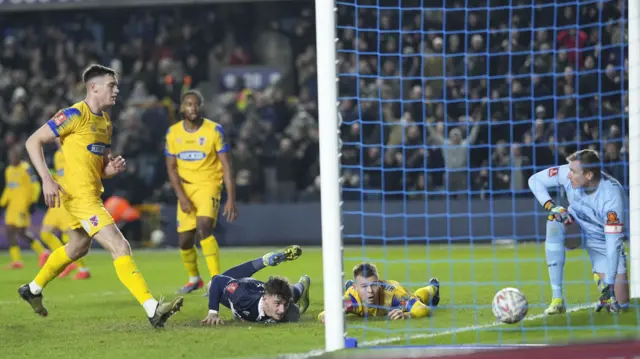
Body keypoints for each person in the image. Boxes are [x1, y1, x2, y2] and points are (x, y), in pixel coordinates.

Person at [19, 64, 183, 328]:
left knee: (77, 247)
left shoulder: (105, 123)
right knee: (120, 246)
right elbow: (32, 141)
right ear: (93, 88)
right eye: (111, 85)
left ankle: (33, 289)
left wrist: (110, 169)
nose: (116, 90)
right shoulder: (73, 114)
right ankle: (153, 309)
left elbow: (100, 168)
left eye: (116, 85)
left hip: (89, 195)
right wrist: (47, 180)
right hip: (81, 199)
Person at [527, 149, 628, 314]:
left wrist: (610, 284)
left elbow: (613, 243)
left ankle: (600, 278)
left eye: (573, 171)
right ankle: (557, 299)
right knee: (554, 220)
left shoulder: (611, 196)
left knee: (621, 304)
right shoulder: (568, 173)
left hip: (602, 241)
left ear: (588, 175)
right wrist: (551, 206)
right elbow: (534, 180)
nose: (568, 175)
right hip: (575, 227)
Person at [165, 89, 238, 294]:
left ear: (201, 107)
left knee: (204, 226)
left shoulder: (214, 131)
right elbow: (171, 168)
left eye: (196, 104)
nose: (193, 108)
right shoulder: (173, 133)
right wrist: (181, 196)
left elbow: (226, 165)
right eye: (189, 104)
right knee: (184, 240)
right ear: (182, 107)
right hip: (186, 187)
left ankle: (216, 279)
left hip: (209, 184)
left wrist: (231, 198)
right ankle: (194, 279)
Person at [200, 245, 310, 325]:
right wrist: (213, 312)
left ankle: (302, 283)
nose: (281, 310)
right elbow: (217, 280)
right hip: (244, 286)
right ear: (265, 298)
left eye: (284, 305)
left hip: (259, 292)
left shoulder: (289, 310)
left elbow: (285, 303)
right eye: (277, 304)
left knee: (293, 293)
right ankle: (263, 261)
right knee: (211, 287)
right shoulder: (241, 296)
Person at [39, 140, 91, 280]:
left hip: (70, 199)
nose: (56, 139)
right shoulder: (57, 155)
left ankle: (83, 269)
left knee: (68, 236)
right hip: (58, 200)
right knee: (45, 233)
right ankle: (67, 262)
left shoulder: (74, 153)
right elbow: (60, 175)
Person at [318, 263, 440, 322]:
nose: (370, 291)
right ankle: (349, 285)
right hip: (354, 293)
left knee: (418, 298)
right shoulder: (352, 300)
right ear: (356, 287)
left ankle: (433, 287)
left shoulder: (394, 297)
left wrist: (407, 315)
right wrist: (328, 316)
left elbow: (422, 309)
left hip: (393, 289)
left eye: (374, 285)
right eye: (364, 286)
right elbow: (323, 315)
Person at [1, 145, 46, 269]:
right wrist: (2, 202)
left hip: (23, 205)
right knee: (10, 231)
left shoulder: (26, 169)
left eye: (14, 156)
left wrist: (32, 202)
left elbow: (35, 185)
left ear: (19, 157)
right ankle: (17, 260)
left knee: (20, 231)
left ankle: (42, 252)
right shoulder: (9, 170)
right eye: (10, 156)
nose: (12, 158)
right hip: (12, 207)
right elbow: (9, 188)